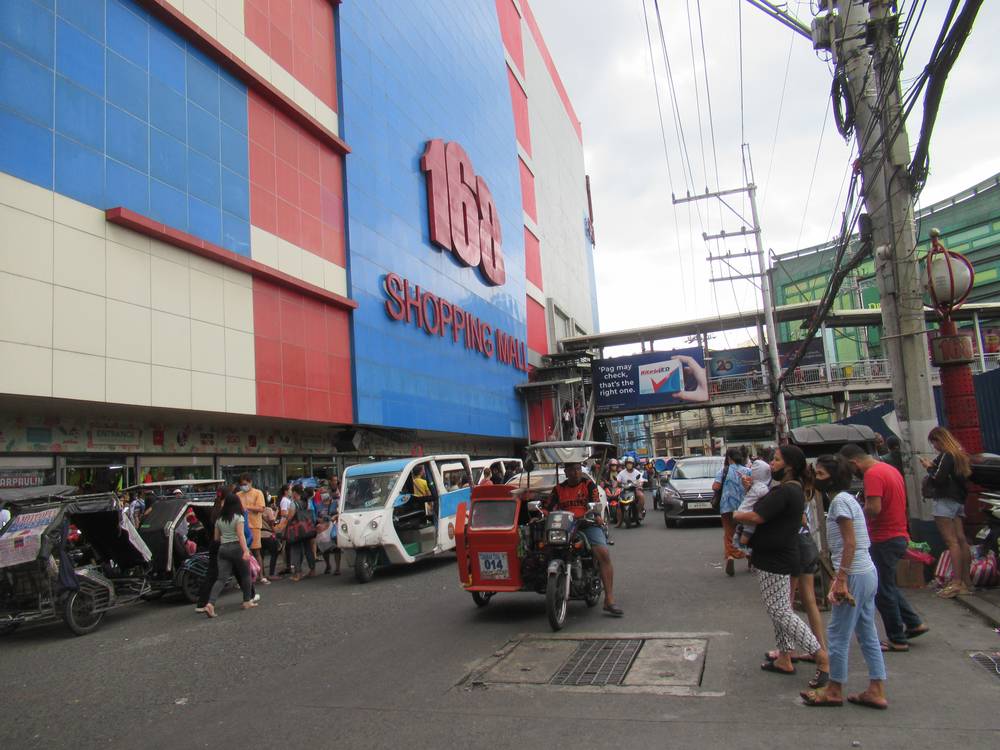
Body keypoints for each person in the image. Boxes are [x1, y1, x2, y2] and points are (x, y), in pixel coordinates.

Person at [801, 454, 888, 709]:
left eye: (821, 475)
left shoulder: (839, 502)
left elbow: (850, 542)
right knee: (867, 632)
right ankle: (876, 688)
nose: (817, 479)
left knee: (837, 633)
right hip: (866, 572)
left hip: (854, 574)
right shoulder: (849, 499)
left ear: (833, 478)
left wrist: (841, 578)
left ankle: (834, 689)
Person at [735, 445, 829, 678]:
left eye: (776, 460)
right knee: (779, 609)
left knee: (780, 610)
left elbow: (757, 515)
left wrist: (737, 515)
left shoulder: (785, 491)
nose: (772, 464)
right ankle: (785, 658)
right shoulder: (790, 490)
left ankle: (820, 656)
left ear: (788, 466)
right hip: (777, 556)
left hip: (776, 559)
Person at [840, 443, 928, 652]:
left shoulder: (873, 474)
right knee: (887, 585)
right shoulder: (889, 469)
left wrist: (855, 515)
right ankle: (914, 623)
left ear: (854, 462)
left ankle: (897, 638)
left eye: (849, 468)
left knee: (882, 590)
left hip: (883, 538)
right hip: (898, 534)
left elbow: (874, 508)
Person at [545, 461, 622, 616]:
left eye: (578, 469)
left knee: (603, 554)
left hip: (587, 524)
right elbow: (548, 507)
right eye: (572, 469)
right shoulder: (558, 489)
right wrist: (541, 515)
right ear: (565, 472)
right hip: (565, 527)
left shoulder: (588, 485)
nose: (576, 472)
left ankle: (609, 599)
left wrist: (596, 515)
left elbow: (595, 503)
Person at [922, 426, 973, 598]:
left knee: (951, 542)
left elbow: (938, 478)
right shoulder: (959, 454)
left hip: (945, 501)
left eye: (934, 443)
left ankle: (956, 582)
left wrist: (929, 468)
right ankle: (967, 582)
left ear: (939, 440)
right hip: (958, 501)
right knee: (961, 540)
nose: (934, 447)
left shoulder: (947, 455)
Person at [204, 492, 256, 618]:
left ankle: (210, 604)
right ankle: (247, 601)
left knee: (221, 578)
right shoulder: (239, 518)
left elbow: (216, 538)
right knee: (245, 575)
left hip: (223, 549)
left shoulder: (219, 519)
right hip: (237, 547)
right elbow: (241, 535)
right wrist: (245, 551)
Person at [715, 447, 750, 576]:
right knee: (746, 532)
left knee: (729, 533)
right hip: (744, 507)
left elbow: (716, 486)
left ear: (728, 458)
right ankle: (749, 556)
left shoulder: (723, 471)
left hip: (727, 507)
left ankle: (730, 556)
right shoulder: (748, 471)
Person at [237, 473, 268, 584]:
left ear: (250, 482)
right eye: (241, 484)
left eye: (245, 484)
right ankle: (246, 578)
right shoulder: (238, 494)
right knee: (243, 553)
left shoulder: (257, 493)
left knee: (256, 551)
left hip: (254, 526)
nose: (243, 486)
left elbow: (261, 508)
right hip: (240, 527)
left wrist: (247, 507)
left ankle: (261, 575)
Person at [284, 484, 317, 581]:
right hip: (307, 529)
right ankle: (312, 570)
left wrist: (286, 519)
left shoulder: (294, 503)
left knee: (296, 550)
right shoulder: (307, 502)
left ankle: (298, 573)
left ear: (294, 492)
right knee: (308, 550)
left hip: (297, 531)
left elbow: (290, 517)